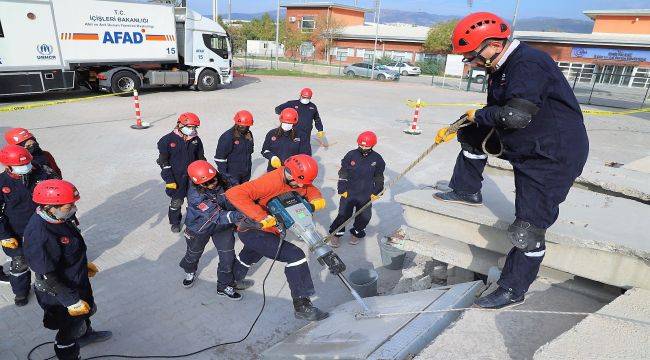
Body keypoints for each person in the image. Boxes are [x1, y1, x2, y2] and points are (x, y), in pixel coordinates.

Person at [433, 12, 589, 309]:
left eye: (472, 56)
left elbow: (514, 116)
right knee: (471, 131)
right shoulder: (502, 66)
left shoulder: (528, 64)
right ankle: (467, 189)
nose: (471, 63)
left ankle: (513, 288)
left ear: (493, 44)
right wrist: (458, 124)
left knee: (527, 229)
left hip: (551, 155)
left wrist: (477, 115)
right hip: (528, 141)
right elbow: (499, 112)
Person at [225, 154, 329, 321]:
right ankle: (302, 306)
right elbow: (234, 193)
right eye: (299, 181)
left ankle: (232, 281)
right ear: (289, 172)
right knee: (296, 256)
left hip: (271, 231)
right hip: (254, 230)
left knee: (249, 255)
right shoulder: (270, 181)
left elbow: (309, 189)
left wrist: (315, 201)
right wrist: (261, 216)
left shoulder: (297, 180)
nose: (301, 185)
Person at [23, 179, 111, 359]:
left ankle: (85, 334)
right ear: (49, 206)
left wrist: (81, 265)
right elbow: (48, 277)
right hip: (60, 294)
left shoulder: (58, 218)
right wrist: (71, 301)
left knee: (83, 315)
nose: (73, 209)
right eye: (68, 206)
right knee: (68, 330)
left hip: (75, 279)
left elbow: (66, 250)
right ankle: (68, 354)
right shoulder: (40, 235)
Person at [179, 160, 247, 300]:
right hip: (200, 227)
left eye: (213, 179)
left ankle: (224, 286)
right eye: (207, 183)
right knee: (193, 253)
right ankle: (190, 270)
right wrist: (240, 215)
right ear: (199, 183)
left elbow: (242, 194)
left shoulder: (228, 180)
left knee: (228, 257)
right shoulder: (195, 196)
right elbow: (215, 215)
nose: (212, 184)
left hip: (223, 227)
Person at [0, 144, 56, 306]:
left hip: (43, 229)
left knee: (44, 261)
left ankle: (45, 287)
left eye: (27, 163)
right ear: (8, 166)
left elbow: (59, 197)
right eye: (20, 165)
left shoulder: (43, 173)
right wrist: (4, 236)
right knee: (19, 263)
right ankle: (21, 292)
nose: (26, 168)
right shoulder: (2, 183)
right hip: (15, 232)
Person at [328, 131, 385, 247]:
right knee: (343, 214)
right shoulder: (351, 155)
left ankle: (356, 233)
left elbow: (379, 177)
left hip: (366, 194)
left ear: (372, 145)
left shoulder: (377, 159)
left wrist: (377, 191)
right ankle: (336, 234)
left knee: (365, 217)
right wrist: (342, 189)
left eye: (366, 146)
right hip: (349, 192)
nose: (363, 147)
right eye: (361, 145)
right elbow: (343, 173)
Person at [157, 112, 206, 233]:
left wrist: (205, 174)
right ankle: (175, 222)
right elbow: (164, 163)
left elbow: (201, 158)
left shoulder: (196, 140)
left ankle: (192, 221)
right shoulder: (166, 141)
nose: (192, 130)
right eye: (190, 127)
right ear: (180, 125)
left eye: (194, 127)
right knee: (176, 202)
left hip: (192, 178)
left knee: (195, 201)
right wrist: (169, 181)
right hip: (176, 179)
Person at [261, 108, 311, 172]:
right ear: (281, 120)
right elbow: (264, 150)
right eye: (285, 122)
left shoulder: (301, 136)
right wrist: (272, 157)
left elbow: (306, 156)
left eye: (290, 123)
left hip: (292, 172)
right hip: (273, 170)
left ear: (295, 122)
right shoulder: (271, 134)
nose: (287, 124)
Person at [214, 110, 255, 186]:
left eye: (248, 126)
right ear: (237, 124)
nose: (246, 128)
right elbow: (219, 159)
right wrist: (226, 176)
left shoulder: (248, 134)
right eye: (243, 126)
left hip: (246, 173)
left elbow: (250, 151)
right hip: (232, 175)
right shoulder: (227, 137)